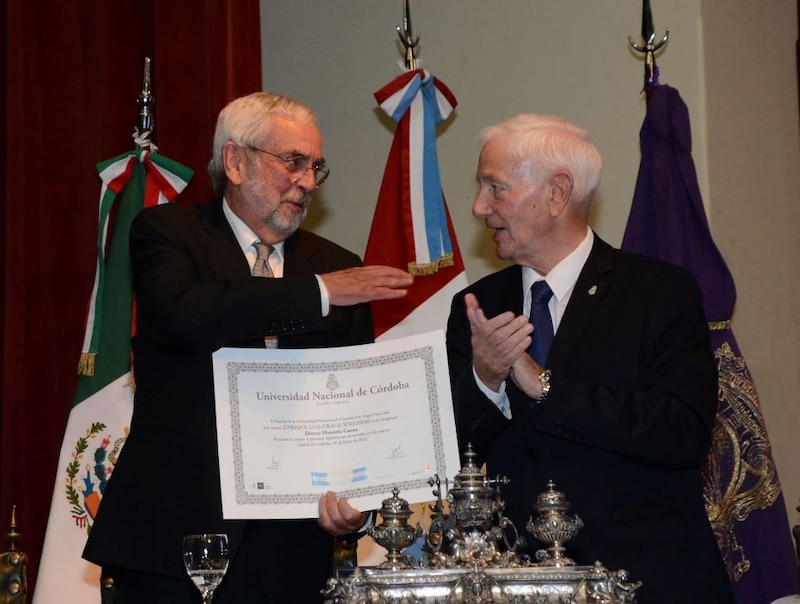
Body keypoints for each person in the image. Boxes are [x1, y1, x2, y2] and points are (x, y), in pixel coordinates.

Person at [83, 92, 413, 603]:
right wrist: (320, 294)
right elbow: (186, 316)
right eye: (293, 162)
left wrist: (358, 503)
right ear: (236, 162)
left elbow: (353, 403)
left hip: (293, 552)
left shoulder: (337, 264)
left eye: (315, 168)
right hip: (174, 542)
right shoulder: (169, 233)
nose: (306, 182)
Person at [445, 113, 734, 603]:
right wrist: (487, 379)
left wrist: (546, 386)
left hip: (646, 579)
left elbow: (681, 433)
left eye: (495, 187)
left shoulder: (658, 292)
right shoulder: (477, 306)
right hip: (513, 583)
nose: (478, 207)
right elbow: (450, 451)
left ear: (558, 193)